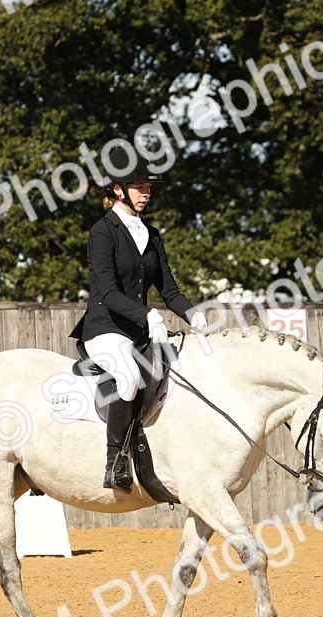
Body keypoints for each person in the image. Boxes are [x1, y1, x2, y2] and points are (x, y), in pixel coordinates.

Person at [69, 152, 207, 492]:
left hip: (139, 332)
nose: (146, 193)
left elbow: (170, 291)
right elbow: (109, 292)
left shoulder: (152, 235)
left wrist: (195, 315)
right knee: (128, 376)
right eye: (139, 187)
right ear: (119, 191)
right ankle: (115, 460)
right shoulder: (103, 232)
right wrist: (146, 314)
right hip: (104, 328)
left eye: (148, 188)